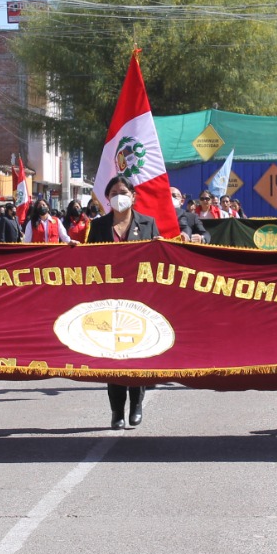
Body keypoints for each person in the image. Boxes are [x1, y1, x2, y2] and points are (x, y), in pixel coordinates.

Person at [87, 176, 160, 429]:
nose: (120, 196)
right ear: (107, 198)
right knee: (114, 358)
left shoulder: (148, 223)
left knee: (137, 353)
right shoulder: (98, 226)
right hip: (108, 301)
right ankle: (117, 411)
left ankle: (137, 404)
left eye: (124, 191)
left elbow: (159, 261)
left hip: (140, 300)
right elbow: (88, 262)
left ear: (133, 196)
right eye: (115, 192)